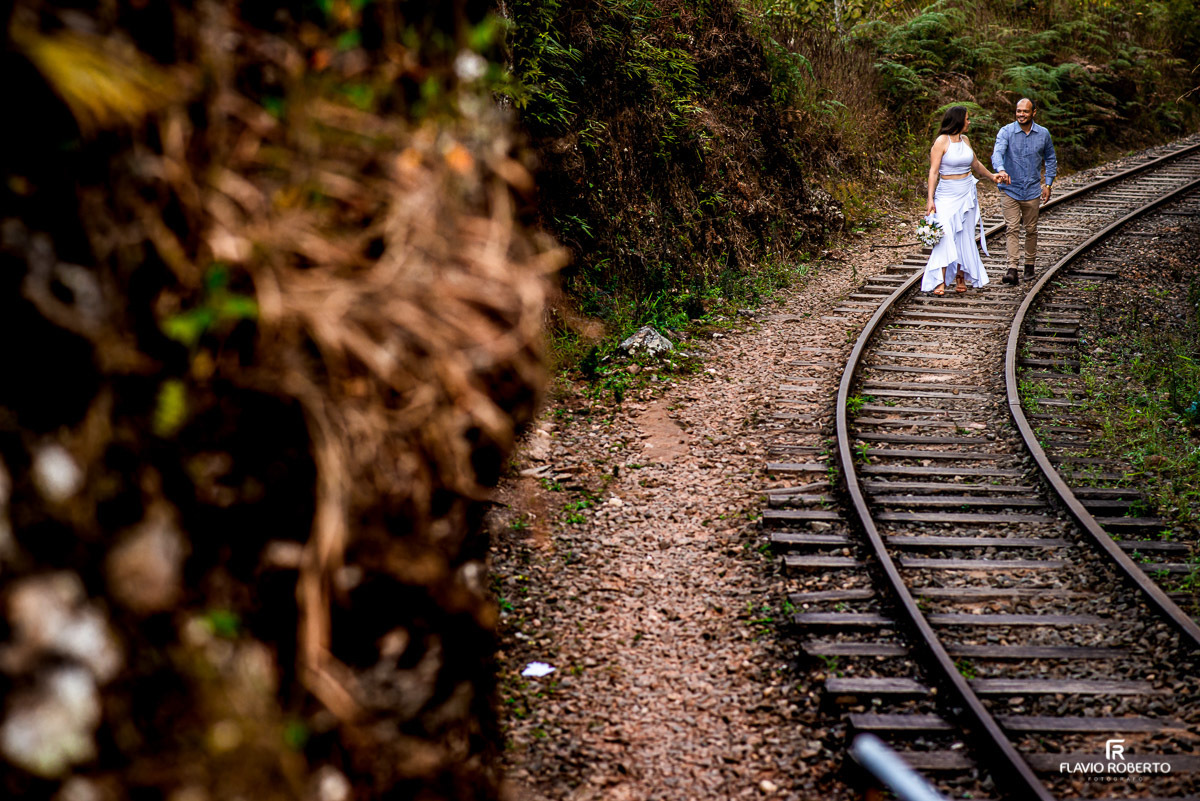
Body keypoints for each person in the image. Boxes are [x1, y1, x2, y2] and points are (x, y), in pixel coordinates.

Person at [922, 106, 1003, 296]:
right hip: (947, 194)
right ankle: (940, 280)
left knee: (964, 236)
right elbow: (933, 172)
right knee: (945, 234)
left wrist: (992, 177)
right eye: (967, 119)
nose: (969, 122)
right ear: (958, 120)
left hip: (967, 192)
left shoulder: (965, 140)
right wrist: (930, 199)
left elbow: (975, 164)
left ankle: (961, 276)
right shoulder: (941, 142)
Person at [992, 97, 1057, 284]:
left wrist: (1048, 184)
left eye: (1025, 111)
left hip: (1032, 189)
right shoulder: (1006, 131)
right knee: (1011, 228)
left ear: (1033, 113)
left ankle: (1029, 265)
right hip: (1010, 188)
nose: (1021, 114)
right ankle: (1012, 268)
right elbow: (997, 152)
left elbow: (1051, 159)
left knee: (1031, 229)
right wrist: (1001, 169)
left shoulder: (1043, 134)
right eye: (1019, 111)